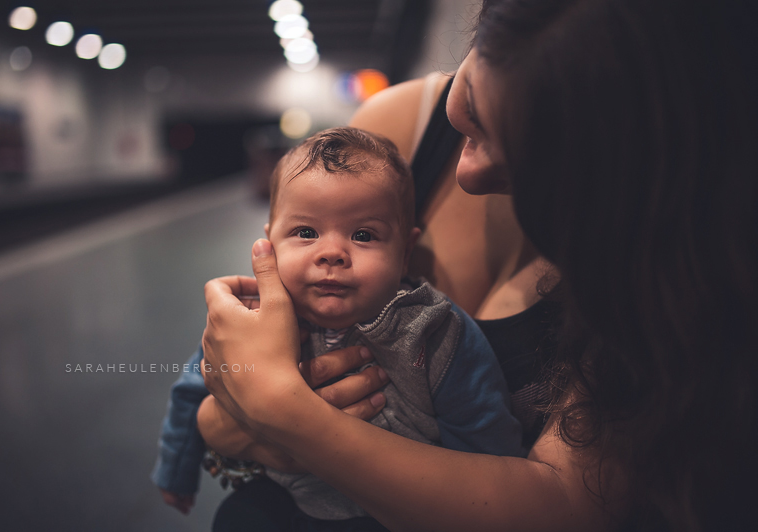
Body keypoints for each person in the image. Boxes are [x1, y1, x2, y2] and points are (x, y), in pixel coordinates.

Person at [197, 0, 758, 530]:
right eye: (470, 110)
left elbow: (564, 508)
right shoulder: (400, 129)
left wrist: (286, 415)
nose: (469, 177)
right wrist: (221, 423)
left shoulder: (673, 271)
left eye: (532, 161)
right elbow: (227, 396)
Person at [153, 127, 523, 528]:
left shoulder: (433, 330)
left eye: (363, 235)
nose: (331, 253)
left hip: (388, 512)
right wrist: (176, 468)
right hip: (281, 497)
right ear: (270, 242)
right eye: (306, 233)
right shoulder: (251, 319)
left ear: (405, 253)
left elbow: (483, 437)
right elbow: (196, 386)